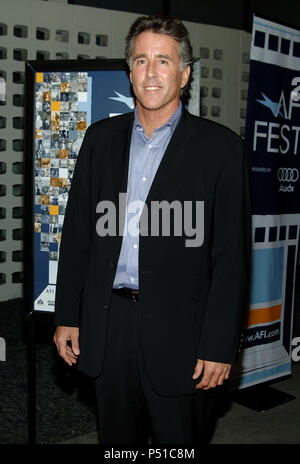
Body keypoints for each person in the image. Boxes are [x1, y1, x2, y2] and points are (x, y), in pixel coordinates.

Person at [53, 15, 251, 444]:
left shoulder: (221, 150)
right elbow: (80, 235)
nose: (151, 72)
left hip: (183, 331)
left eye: (164, 61)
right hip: (110, 326)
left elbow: (231, 259)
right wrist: (68, 314)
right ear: (130, 73)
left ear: (184, 73)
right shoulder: (100, 140)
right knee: (118, 445)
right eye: (141, 61)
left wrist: (219, 346)